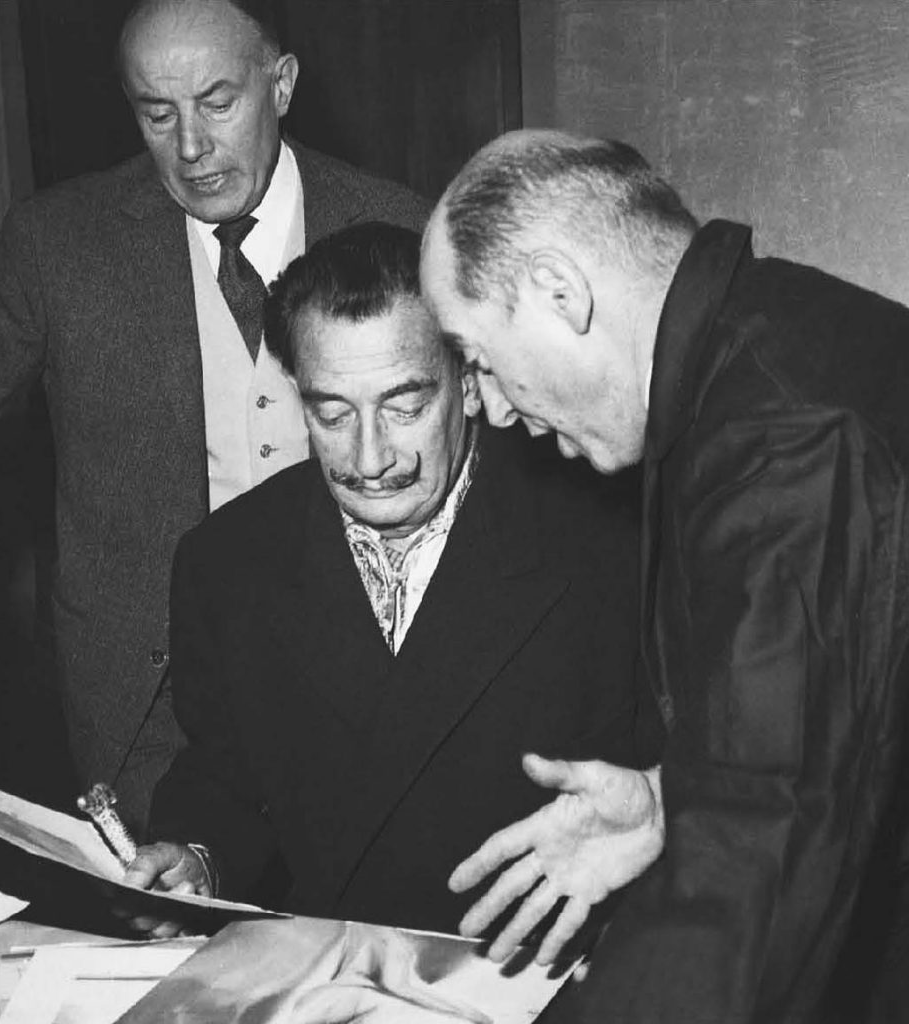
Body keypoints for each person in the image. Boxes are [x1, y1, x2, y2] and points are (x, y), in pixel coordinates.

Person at [0, 0, 427, 830]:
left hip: (376, 686)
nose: (191, 148)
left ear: (279, 85)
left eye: (218, 101)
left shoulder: (406, 227)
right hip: (152, 717)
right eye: (157, 112)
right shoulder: (58, 245)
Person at [419, 130, 909, 1023]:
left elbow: (751, 878)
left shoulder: (778, 441)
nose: (488, 406)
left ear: (558, 292)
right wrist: (666, 797)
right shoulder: (764, 351)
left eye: (480, 360)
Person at [122, 221, 662, 942]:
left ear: (471, 383)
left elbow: (693, 795)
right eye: (332, 412)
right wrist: (197, 858)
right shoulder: (227, 562)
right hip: (328, 980)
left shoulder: (606, 541)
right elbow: (226, 775)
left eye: (404, 407)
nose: (370, 459)